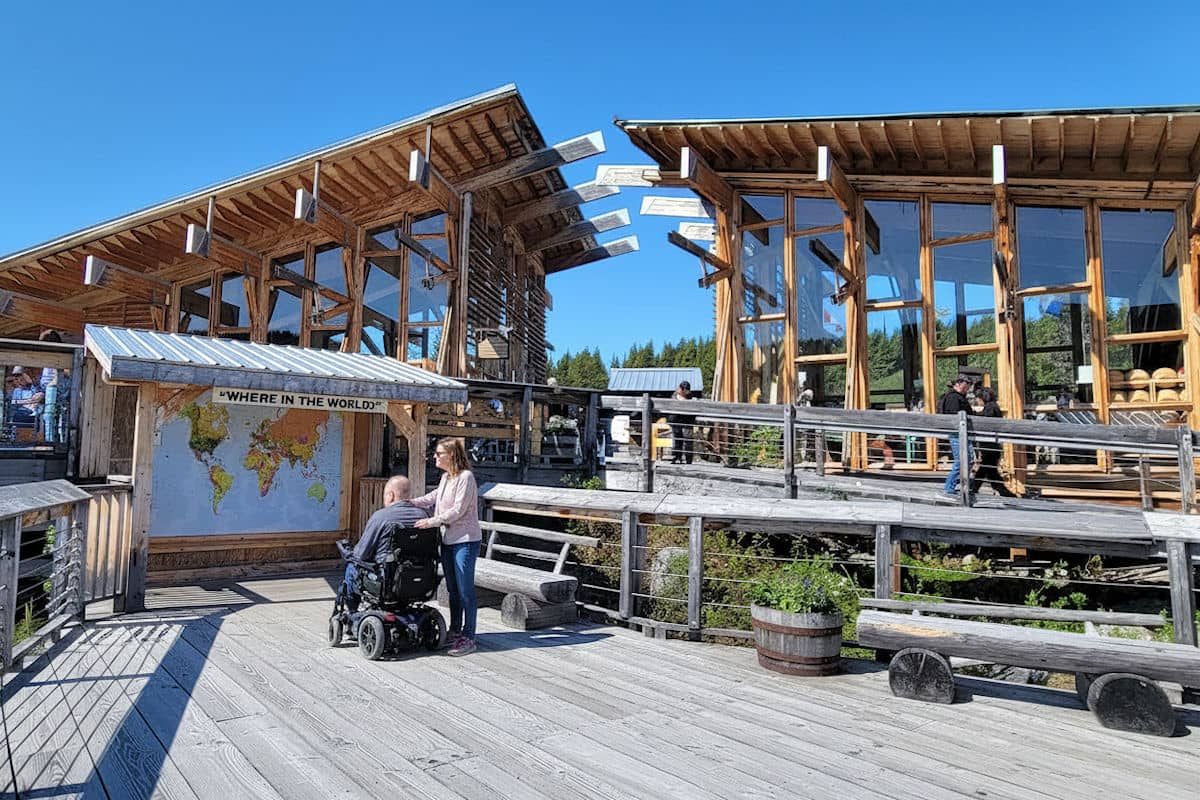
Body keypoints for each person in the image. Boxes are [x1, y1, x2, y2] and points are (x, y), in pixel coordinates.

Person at [413, 438, 482, 657]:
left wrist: (430, 522)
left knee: (465, 590)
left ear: (451, 455)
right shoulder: (445, 478)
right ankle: (454, 630)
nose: (435, 457)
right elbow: (432, 498)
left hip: (466, 540)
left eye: (439, 453)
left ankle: (469, 636)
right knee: (452, 589)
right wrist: (408, 503)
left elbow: (458, 510)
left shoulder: (466, 478)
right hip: (449, 539)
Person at [342, 475, 428, 613]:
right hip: (419, 577)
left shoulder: (381, 517)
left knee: (352, 567)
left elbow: (361, 554)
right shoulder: (423, 516)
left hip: (386, 579)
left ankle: (352, 613)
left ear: (390, 495)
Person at [970, 386, 1016, 497]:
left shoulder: (990, 408)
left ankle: (975, 488)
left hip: (989, 443)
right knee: (989, 470)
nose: (977, 401)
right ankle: (1001, 490)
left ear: (982, 398)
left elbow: (987, 424)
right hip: (992, 443)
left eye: (978, 398)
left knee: (986, 468)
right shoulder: (993, 406)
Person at [939, 374, 974, 497]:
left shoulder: (956, 397)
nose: (967, 389)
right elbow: (954, 416)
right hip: (957, 433)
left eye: (968, 387)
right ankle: (950, 486)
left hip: (960, 433)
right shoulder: (954, 398)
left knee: (968, 459)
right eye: (965, 387)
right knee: (962, 460)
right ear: (958, 384)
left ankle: (956, 484)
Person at [668, 380, 694, 465]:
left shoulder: (690, 396)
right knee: (677, 439)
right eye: (684, 390)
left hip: (687, 420)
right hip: (676, 419)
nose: (686, 392)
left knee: (688, 439)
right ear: (681, 389)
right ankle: (676, 457)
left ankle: (688, 459)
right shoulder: (674, 395)